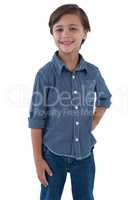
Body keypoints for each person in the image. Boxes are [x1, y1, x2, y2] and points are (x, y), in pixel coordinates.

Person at [28, 4, 112, 200]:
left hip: (84, 154)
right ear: (52, 34)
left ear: (85, 33)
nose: (65, 34)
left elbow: (105, 98)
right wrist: (38, 160)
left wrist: (92, 122)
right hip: (52, 155)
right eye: (59, 29)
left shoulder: (92, 72)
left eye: (73, 28)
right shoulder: (45, 75)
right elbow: (36, 119)